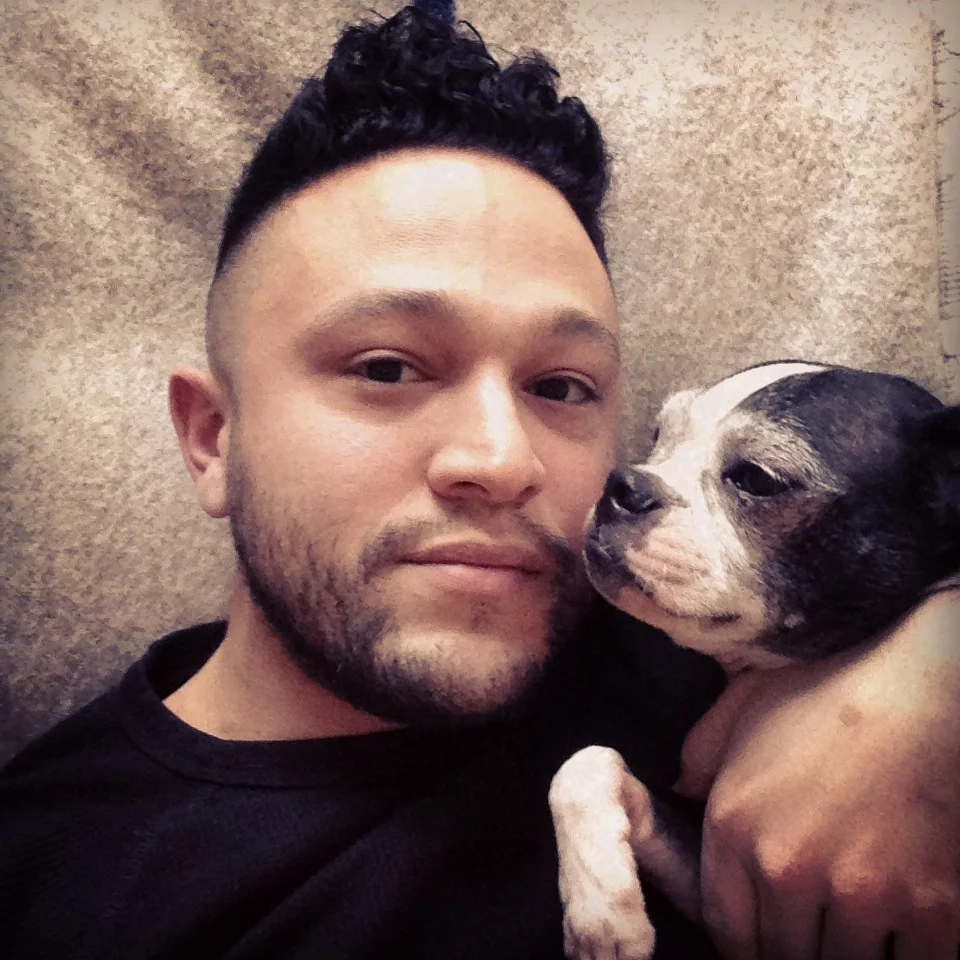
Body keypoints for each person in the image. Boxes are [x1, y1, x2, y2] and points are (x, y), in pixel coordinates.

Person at [1, 4, 957, 958]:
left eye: (560, 386)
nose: (502, 462)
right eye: (387, 368)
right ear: (214, 438)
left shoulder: (670, 632)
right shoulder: (48, 875)